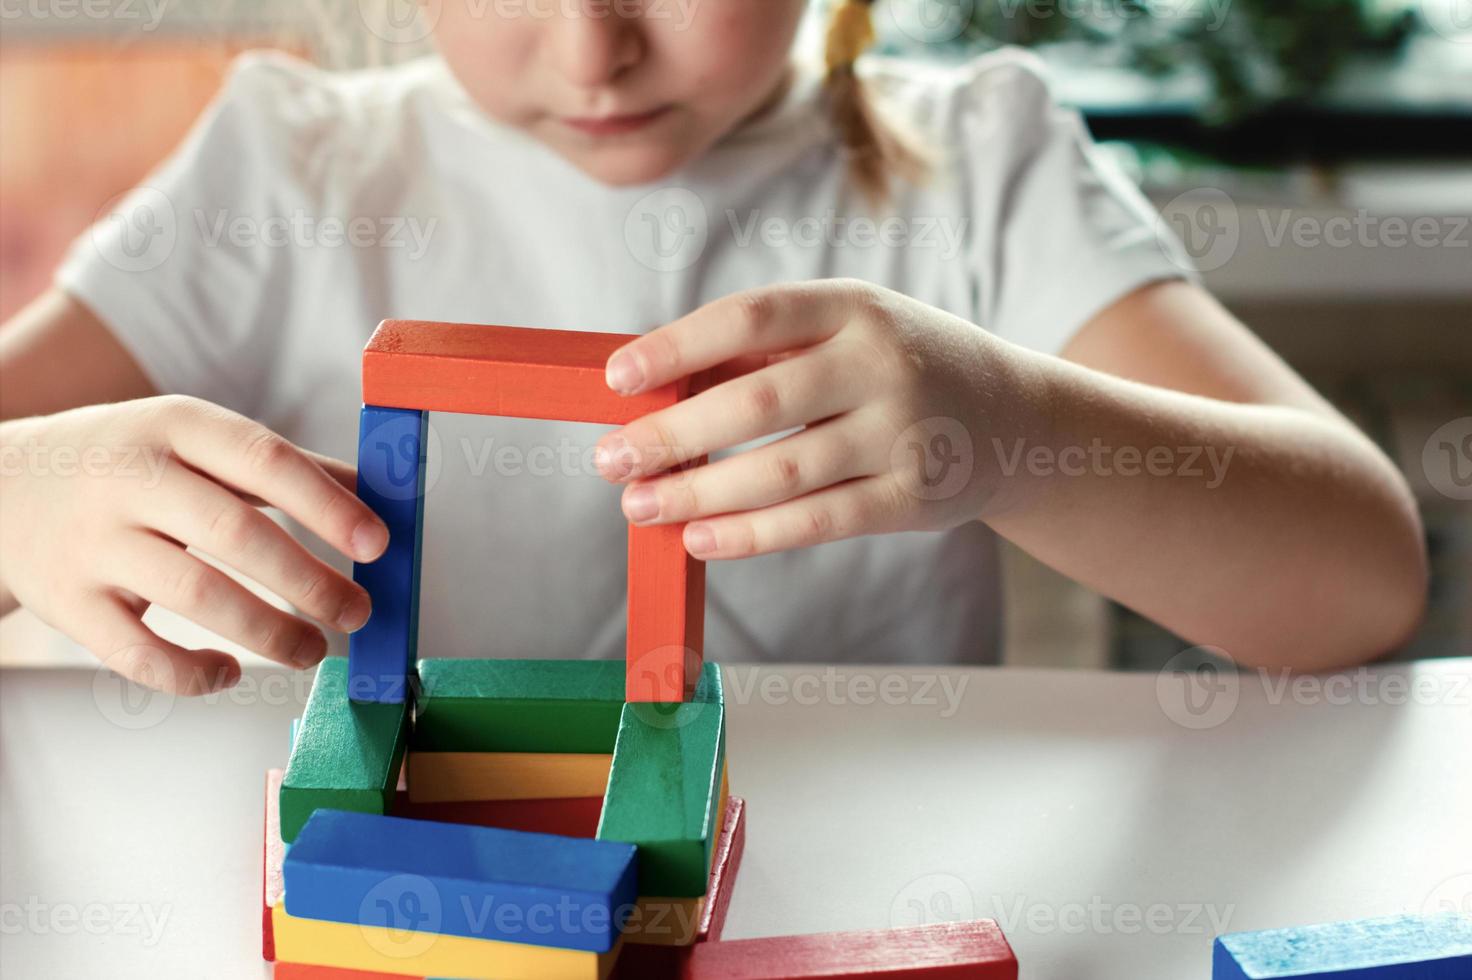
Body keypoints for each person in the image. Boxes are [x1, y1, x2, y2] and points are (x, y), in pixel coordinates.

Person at [0, 0, 1427, 695]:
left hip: (858, 893)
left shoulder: (976, 162)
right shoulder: (284, 169)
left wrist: (1006, 427)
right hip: (396, 908)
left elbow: (1358, 585)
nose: (590, 50)